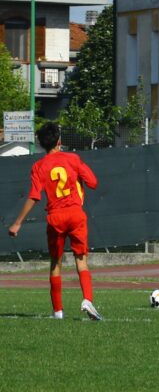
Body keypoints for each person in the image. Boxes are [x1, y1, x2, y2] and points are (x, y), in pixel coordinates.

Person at [8, 122, 102, 321]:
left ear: (42, 144)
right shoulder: (73, 159)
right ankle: (87, 299)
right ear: (59, 141)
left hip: (55, 217)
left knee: (55, 263)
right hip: (76, 214)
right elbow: (93, 183)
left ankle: (58, 312)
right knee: (81, 260)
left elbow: (34, 196)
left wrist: (17, 222)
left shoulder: (38, 166)